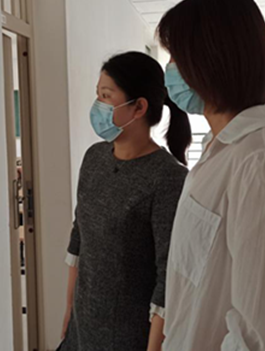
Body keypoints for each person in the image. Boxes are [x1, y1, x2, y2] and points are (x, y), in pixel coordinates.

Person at [157, 0, 265, 351]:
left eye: (176, 57)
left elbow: (261, 336)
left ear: (209, 60)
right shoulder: (221, 149)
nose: (170, 70)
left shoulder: (257, 161)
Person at [59, 52, 191, 351]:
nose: (98, 105)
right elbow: (79, 239)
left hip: (130, 337)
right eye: (98, 95)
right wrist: (69, 310)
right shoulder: (94, 158)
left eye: (106, 96)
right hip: (81, 331)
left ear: (139, 107)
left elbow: (169, 275)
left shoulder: (168, 178)